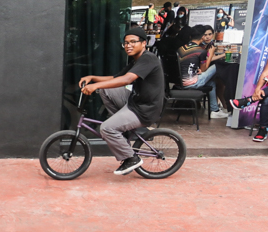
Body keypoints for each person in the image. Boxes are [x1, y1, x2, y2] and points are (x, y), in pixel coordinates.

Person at [78, 27, 165, 175]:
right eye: (126, 43)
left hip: (145, 109)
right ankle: (121, 129)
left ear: (144, 43)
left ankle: (131, 159)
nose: (128, 46)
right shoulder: (137, 60)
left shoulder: (148, 58)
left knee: (106, 128)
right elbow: (116, 78)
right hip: (134, 101)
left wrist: (95, 86)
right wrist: (92, 78)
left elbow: (127, 79)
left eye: (133, 42)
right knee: (105, 90)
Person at [176, 26, 223, 116]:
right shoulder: (201, 51)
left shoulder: (181, 48)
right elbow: (204, 69)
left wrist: (197, 69)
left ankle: (214, 110)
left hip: (181, 81)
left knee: (211, 83)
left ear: (190, 36)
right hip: (192, 83)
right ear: (202, 37)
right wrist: (211, 53)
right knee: (217, 66)